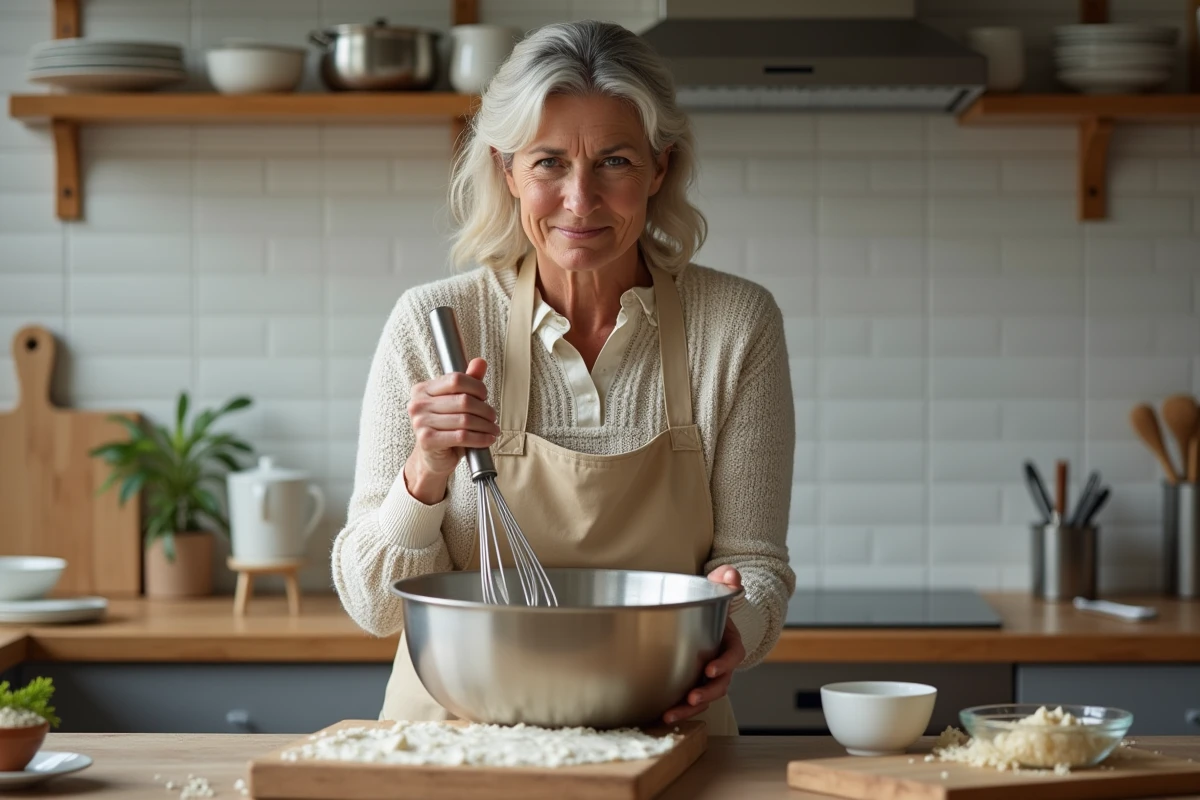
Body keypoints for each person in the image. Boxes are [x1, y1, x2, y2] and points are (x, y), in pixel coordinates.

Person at [332, 19, 795, 736]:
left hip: (663, 743)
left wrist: (738, 617)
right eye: (549, 162)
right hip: (455, 748)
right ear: (506, 168)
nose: (581, 201)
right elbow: (374, 605)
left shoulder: (735, 325)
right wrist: (425, 470)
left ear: (660, 168)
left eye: (614, 162)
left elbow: (753, 563)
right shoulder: (435, 324)